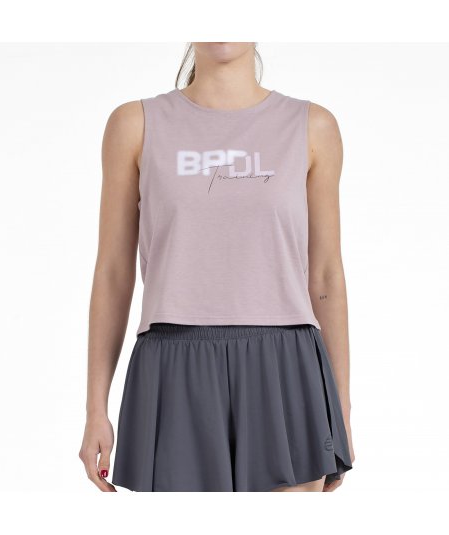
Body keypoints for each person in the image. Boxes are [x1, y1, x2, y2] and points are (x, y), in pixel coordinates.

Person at [78, 42, 355, 492]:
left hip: (284, 366)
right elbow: (112, 273)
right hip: (173, 363)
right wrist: (96, 409)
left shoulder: (312, 125)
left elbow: (325, 273)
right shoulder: (135, 124)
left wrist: (340, 408)